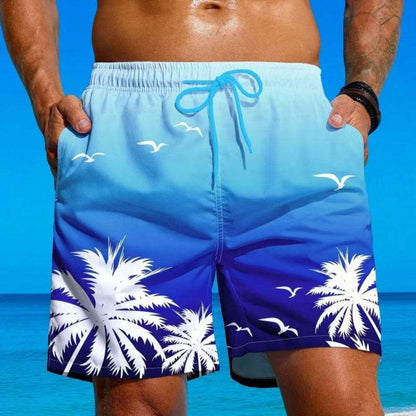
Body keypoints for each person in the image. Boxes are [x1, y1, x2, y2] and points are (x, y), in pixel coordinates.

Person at [0, 1, 403, 415]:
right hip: (130, 133)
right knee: (137, 402)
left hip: (298, 132)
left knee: (342, 403)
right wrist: (45, 97)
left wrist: (364, 91)